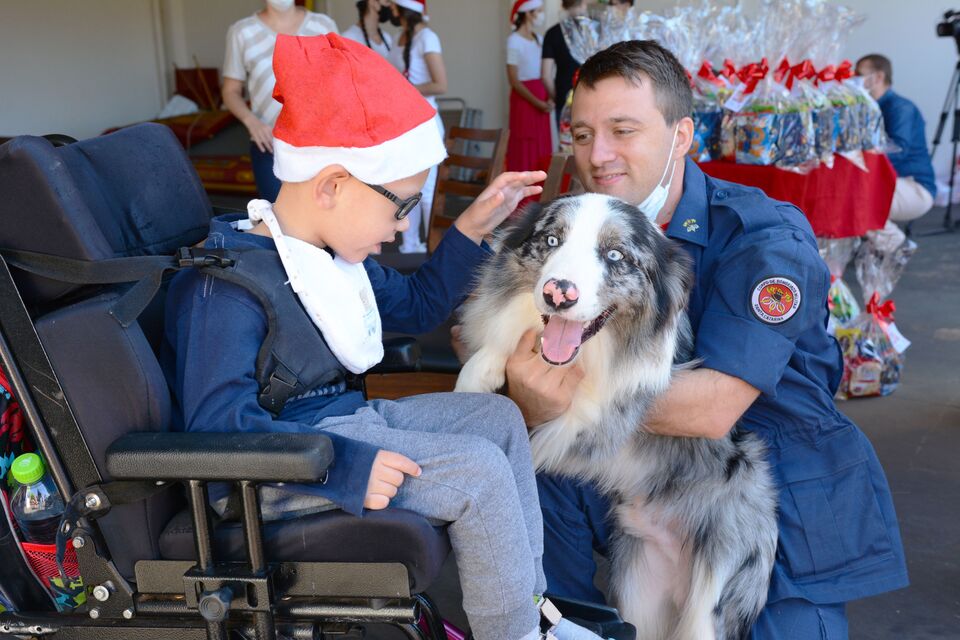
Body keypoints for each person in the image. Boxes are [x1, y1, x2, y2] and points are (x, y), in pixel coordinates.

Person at [163, 32, 614, 640]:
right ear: (331, 185)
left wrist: (474, 225)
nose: (401, 229)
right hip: (271, 472)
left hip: (344, 428)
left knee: (499, 420)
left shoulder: (330, 255)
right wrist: (343, 466)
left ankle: (528, 605)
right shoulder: (226, 285)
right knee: (478, 473)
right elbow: (217, 427)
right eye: (400, 208)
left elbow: (421, 302)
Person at [504, 40, 909, 638]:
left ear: (683, 136)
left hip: (773, 490)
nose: (598, 155)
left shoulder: (761, 237)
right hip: (627, 483)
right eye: (581, 134)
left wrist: (551, 392)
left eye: (623, 130)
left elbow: (712, 408)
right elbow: (503, 332)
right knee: (550, 565)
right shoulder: (570, 229)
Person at [221, 0, 338, 202]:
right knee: (279, 220)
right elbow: (230, 91)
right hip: (269, 144)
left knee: (324, 221)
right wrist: (252, 122)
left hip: (321, 144)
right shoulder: (242, 32)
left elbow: (340, 81)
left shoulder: (323, 26)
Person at [386, 0, 447, 254]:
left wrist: (403, 88)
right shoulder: (400, 37)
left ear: (401, 8)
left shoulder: (427, 37)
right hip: (404, 122)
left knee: (428, 187)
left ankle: (434, 246)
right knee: (406, 185)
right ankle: (411, 245)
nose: (388, 8)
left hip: (425, 124)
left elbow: (440, 84)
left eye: (392, 4)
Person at [856, 53, 936, 223]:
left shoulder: (901, 108)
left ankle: (896, 245)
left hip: (914, 185)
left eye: (859, 75)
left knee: (852, 199)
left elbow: (898, 151)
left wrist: (858, 159)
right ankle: (875, 246)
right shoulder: (870, 107)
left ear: (878, 77)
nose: (854, 81)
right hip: (896, 181)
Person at [506, 0, 554, 174]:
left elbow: (545, 72)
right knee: (525, 144)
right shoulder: (513, 41)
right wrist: (537, 102)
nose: (541, 14)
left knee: (542, 143)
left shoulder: (539, 39)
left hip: (541, 96)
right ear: (528, 13)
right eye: (538, 11)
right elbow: (514, 80)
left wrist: (549, 97)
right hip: (525, 101)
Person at [541, 0, 587, 125]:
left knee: (566, 142)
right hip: (590, 96)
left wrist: (557, 96)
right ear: (583, 3)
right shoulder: (592, 30)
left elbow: (545, 75)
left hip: (564, 96)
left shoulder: (552, 33)